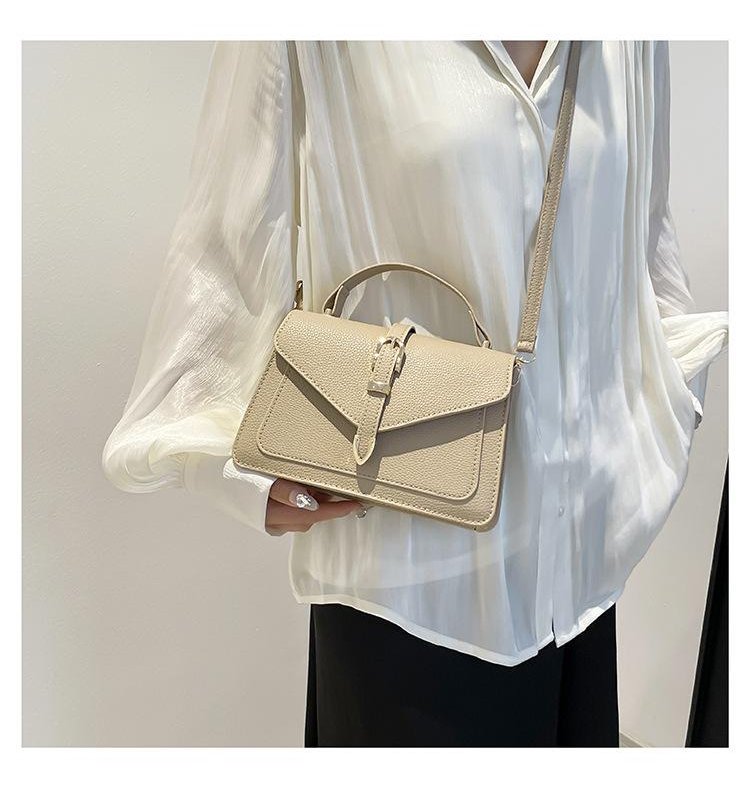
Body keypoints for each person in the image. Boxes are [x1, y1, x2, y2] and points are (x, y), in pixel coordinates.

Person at [102, 41, 728, 746]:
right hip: (405, 586)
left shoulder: (629, 36)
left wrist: (673, 408)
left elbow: (646, 238)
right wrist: (231, 461)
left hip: (580, 583)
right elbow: (226, 241)